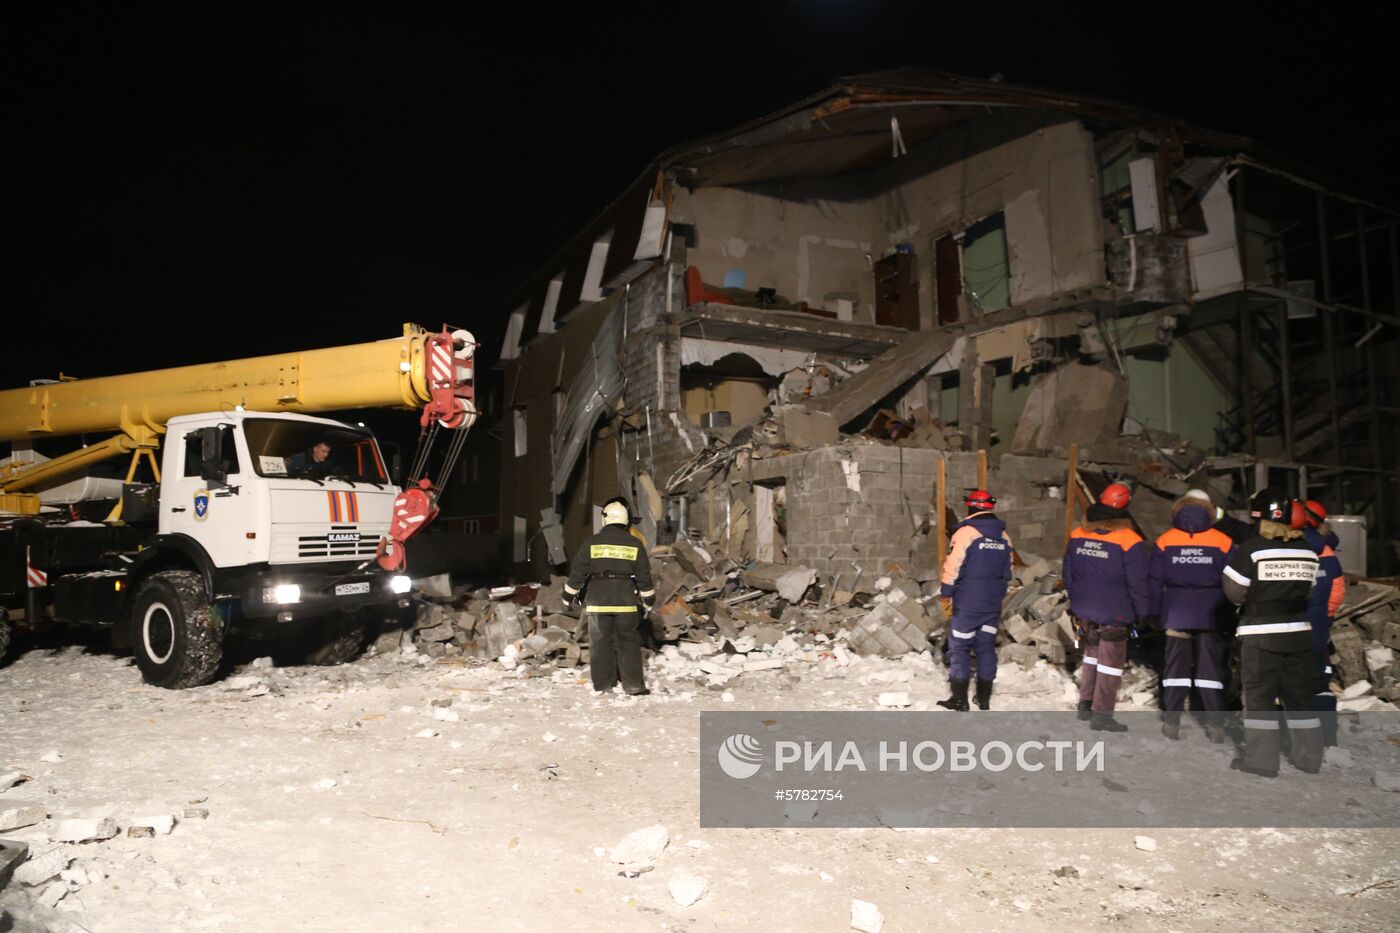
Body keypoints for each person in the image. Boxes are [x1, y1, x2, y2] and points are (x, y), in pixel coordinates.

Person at [1221, 488, 1324, 777]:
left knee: (1260, 699)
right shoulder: (1308, 550)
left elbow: (1234, 592)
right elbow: (1311, 591)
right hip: (1300, 633)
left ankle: (1261, 762)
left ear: (1257, 516)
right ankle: (1309, 758)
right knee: (1301, 698)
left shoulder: (1251, 548)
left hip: (1260, 634)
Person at [1148, 492, 1235, 742]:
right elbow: (1234, 581)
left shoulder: (1166, 540)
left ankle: (1172, 721)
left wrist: (1154, 612)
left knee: (1175, 667)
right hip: (1212, 613)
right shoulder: (1223, 541)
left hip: (1177, 612)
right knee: (1211, 669)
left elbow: (1154, 581)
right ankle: (1215, 725)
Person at [1064, 494, 1152, 732]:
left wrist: (1077, 600)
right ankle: (1101, 714)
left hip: (1085, 608)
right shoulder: (1130, 540)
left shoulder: (1078, 535)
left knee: (1091, 654)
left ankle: (1086, 703)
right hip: (1115, 611)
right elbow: (1138, 582)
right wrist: (1143, 612)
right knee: (1110, 663)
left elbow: (1068, 573)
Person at [564, 498, 656, 696]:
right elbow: (644, 577)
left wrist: (567, 596)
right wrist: (649, 600)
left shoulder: (591, 542)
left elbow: (577, 573)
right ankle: (633, 685)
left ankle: (604, 685)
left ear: (605, 519)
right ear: (625, 520)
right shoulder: (634, 543)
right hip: (625, 602)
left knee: (600, 644)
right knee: (628, 642)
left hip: (598, 603)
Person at [936, 490, 1013, 712]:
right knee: (986, 648)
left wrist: (946, 592)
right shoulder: (1004, 536)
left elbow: (953, 565)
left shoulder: (966, 533)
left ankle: (960, 699)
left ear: (971, 507)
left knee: (959, 647)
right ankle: (984, 698)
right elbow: (1008, 571)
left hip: (968, 600)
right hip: (992, 602)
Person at [1293, 499, 1346, 746]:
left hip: (1290, 628)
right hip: (1317, 628)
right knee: (1320, 682)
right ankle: (1326, 738)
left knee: (1285, 682)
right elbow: (1337, 589)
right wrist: (1326, 618)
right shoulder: (1327, 552)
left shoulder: (1289, 546)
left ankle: (1291, 739)